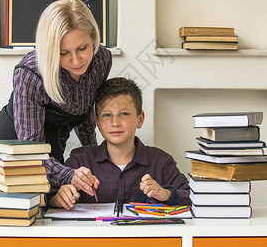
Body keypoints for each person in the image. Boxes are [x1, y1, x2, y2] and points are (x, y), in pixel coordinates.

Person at [0, 0, 112, 191]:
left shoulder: (101, 60)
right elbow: (30, 150)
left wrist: (93, 157)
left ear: (93, 37)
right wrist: (69, 174)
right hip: (9, 154)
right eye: (63, 53)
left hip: (51, 151)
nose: (76, 60)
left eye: (83, 48)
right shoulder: (31, 74)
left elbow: (86, 109)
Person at [44, 77, 190, 210]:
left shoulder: (161, 161)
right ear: (97, 122)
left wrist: (166, 194)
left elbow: (191, 196)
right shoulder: (80, 160)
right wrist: (56, 198)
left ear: (140, 119)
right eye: (107, 115)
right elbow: (47, 194)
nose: (115, 123)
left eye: (124, 114)